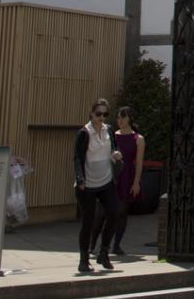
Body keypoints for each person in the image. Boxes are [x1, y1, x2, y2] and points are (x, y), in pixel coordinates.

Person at [73, 98, 124, 273]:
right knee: (88, 221)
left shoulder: (109, 130)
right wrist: (80, 178)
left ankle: (104, 252)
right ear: (91, 113)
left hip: (106, 180)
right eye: (98, 114)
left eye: (105, 114)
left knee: (114, 213)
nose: (102, 117)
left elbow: (114, 149)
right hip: (87, 184)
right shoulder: (84, 133)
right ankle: (84, 260)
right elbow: (78, 158)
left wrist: (116, 154)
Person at [106, 105, 144, 259]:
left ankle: (117, 245)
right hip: (113, 174)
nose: (120, 120)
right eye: (118, 117)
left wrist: (136, 183)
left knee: (122, 212)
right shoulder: (113, 135)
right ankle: (103, 243)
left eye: (123, 117)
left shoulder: (138, 139)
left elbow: (139, 163)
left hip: (127, 175)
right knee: (109, 211)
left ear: (130, 119)